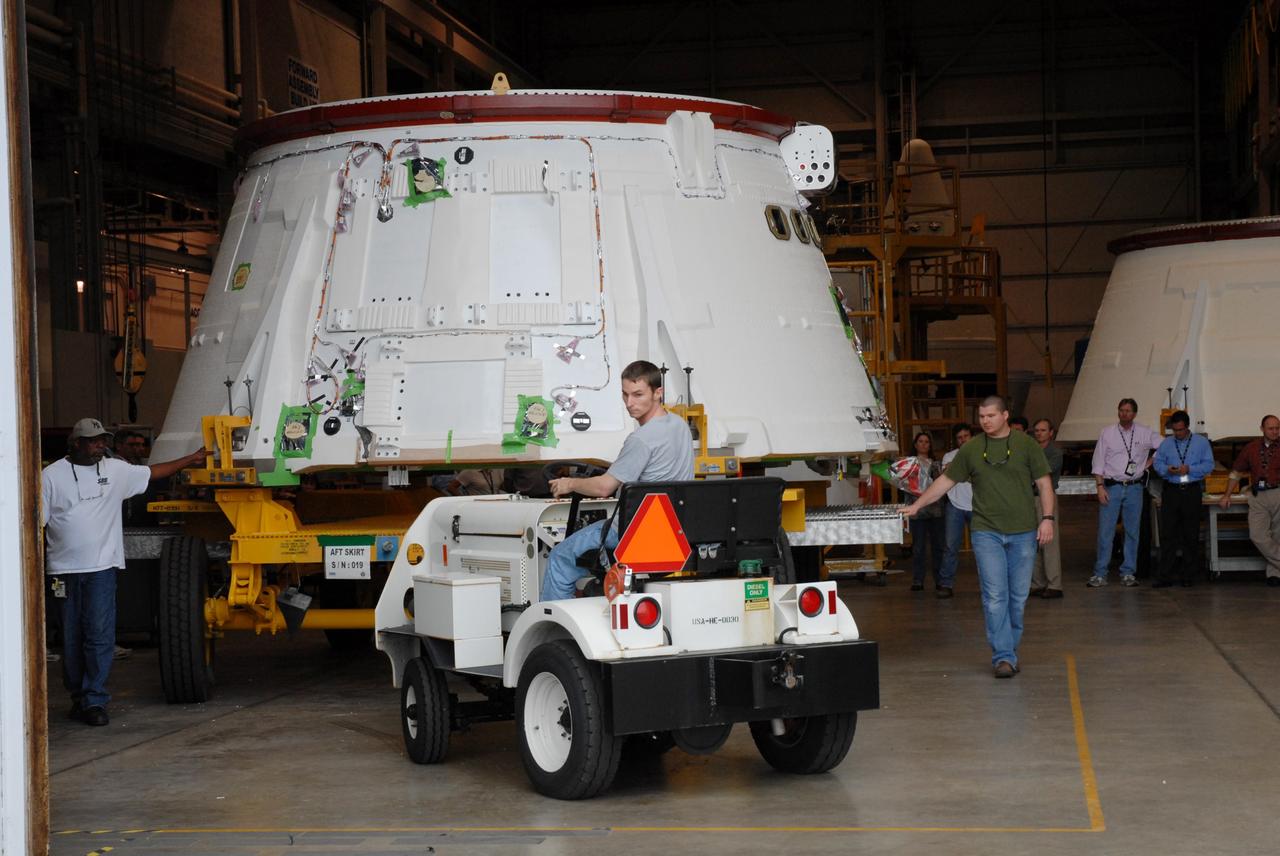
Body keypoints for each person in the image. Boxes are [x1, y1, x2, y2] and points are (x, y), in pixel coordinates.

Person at [42, 418, 209, 726]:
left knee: (99, 635)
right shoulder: (50, 476)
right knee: (70, 637)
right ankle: (78, 696)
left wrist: (191, 459)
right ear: (76, 443)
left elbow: (154, 472)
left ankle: (94, 699)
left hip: (102, 569)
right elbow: (35, 522)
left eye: (102, 440)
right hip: (62, 571)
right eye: (93, 441)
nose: (100, 446)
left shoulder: (116, 470)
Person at [902, 396, 1054, 678]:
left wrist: (1047, 518)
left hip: (1023, 532)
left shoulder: (1027, 445)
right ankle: (1003, 657)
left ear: (1005, 415)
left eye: (991, 416)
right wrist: (918, 505)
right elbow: (945, 481)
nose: (985, 421)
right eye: (982, 416)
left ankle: (1010, 650)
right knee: (995, 596)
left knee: (1017, 598)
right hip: (986, 532)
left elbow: (1045, 484)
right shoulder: (971, 449)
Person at [539, 361, 694, 601]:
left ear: (658, 393)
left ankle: (553, 622)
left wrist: (569, 484)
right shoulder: (680, 426)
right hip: (674, 529)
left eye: (638, 394)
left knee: (559, 558)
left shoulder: (640, 440)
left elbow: (604, 487)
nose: (629, 403)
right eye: (625, 394)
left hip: (633, 532)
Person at [1089, 398, 1159, 588]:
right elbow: (1098, 461)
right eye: (1121, 410)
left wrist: (1149, 462)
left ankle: (1128, 572)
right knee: (1106, 531)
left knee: (1132, 531)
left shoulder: (1145, 432)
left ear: (1134, 413)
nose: (1124, 414)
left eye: (1128, 411)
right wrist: (1099, 486)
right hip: (1112, 486)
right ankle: (1100, 573)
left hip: (1135, 487)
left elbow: (1164, 445)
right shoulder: (1107, 433)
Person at [1151, 411, 1214, 588]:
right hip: (1171, 491)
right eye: (1174, 430)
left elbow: (1208, 465)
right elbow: (1157, 463)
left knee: (1190, 533)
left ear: (1187, 427)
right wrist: (1167, 470)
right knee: (1168, 534)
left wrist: (1190, 469)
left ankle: (1188, 575)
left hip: (1191, 490)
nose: (1177, 434)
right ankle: (1165, 575)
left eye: (1180, 430)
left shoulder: (1201, 443)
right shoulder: (1166, 443)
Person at [1218, 414, 1280, 587]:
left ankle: (1274, 574)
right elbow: (1236, 472)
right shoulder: (1251, 448)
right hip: (1258, 495)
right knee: (1257, 535)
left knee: (1278, 535)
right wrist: (1227, 494)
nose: (1275, 431)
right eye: (1271, 428)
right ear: (1262, 429)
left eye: (1277, 428)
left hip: (1278, 492)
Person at [904, 432, 946, 595]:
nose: (923, 444)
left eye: (926, 442)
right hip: (917, 510)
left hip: (936, 510)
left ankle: (940, 579)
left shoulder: (936, 464)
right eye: (920, 441)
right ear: (915, 444)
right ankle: (918, 579)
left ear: (930, 445)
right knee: (918, 547)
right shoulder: (908, 464)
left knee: (938, 547)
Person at [1031, 418, 1065, 598]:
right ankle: (1037, 583)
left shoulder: (1055, 453)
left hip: (1046, 498)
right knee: (1032, 541)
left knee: (1049, 541)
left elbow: (1042, 472)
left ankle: (1054, 584)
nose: (1039, 433)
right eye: (1036, 430)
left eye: (1043, 430)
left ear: (1051, 433)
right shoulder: (1030, 449)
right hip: (1029, 497)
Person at [938, 423, 973, 599]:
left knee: (984, 547)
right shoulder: (949, 456)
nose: (963, 440)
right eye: (960, 438)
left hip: (978, 506)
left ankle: (991, 584)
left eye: (966, 436)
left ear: (971, 437)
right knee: (950, 546)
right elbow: (946, 472)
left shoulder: (981, 453)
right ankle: (946, 583)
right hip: (955, 504)